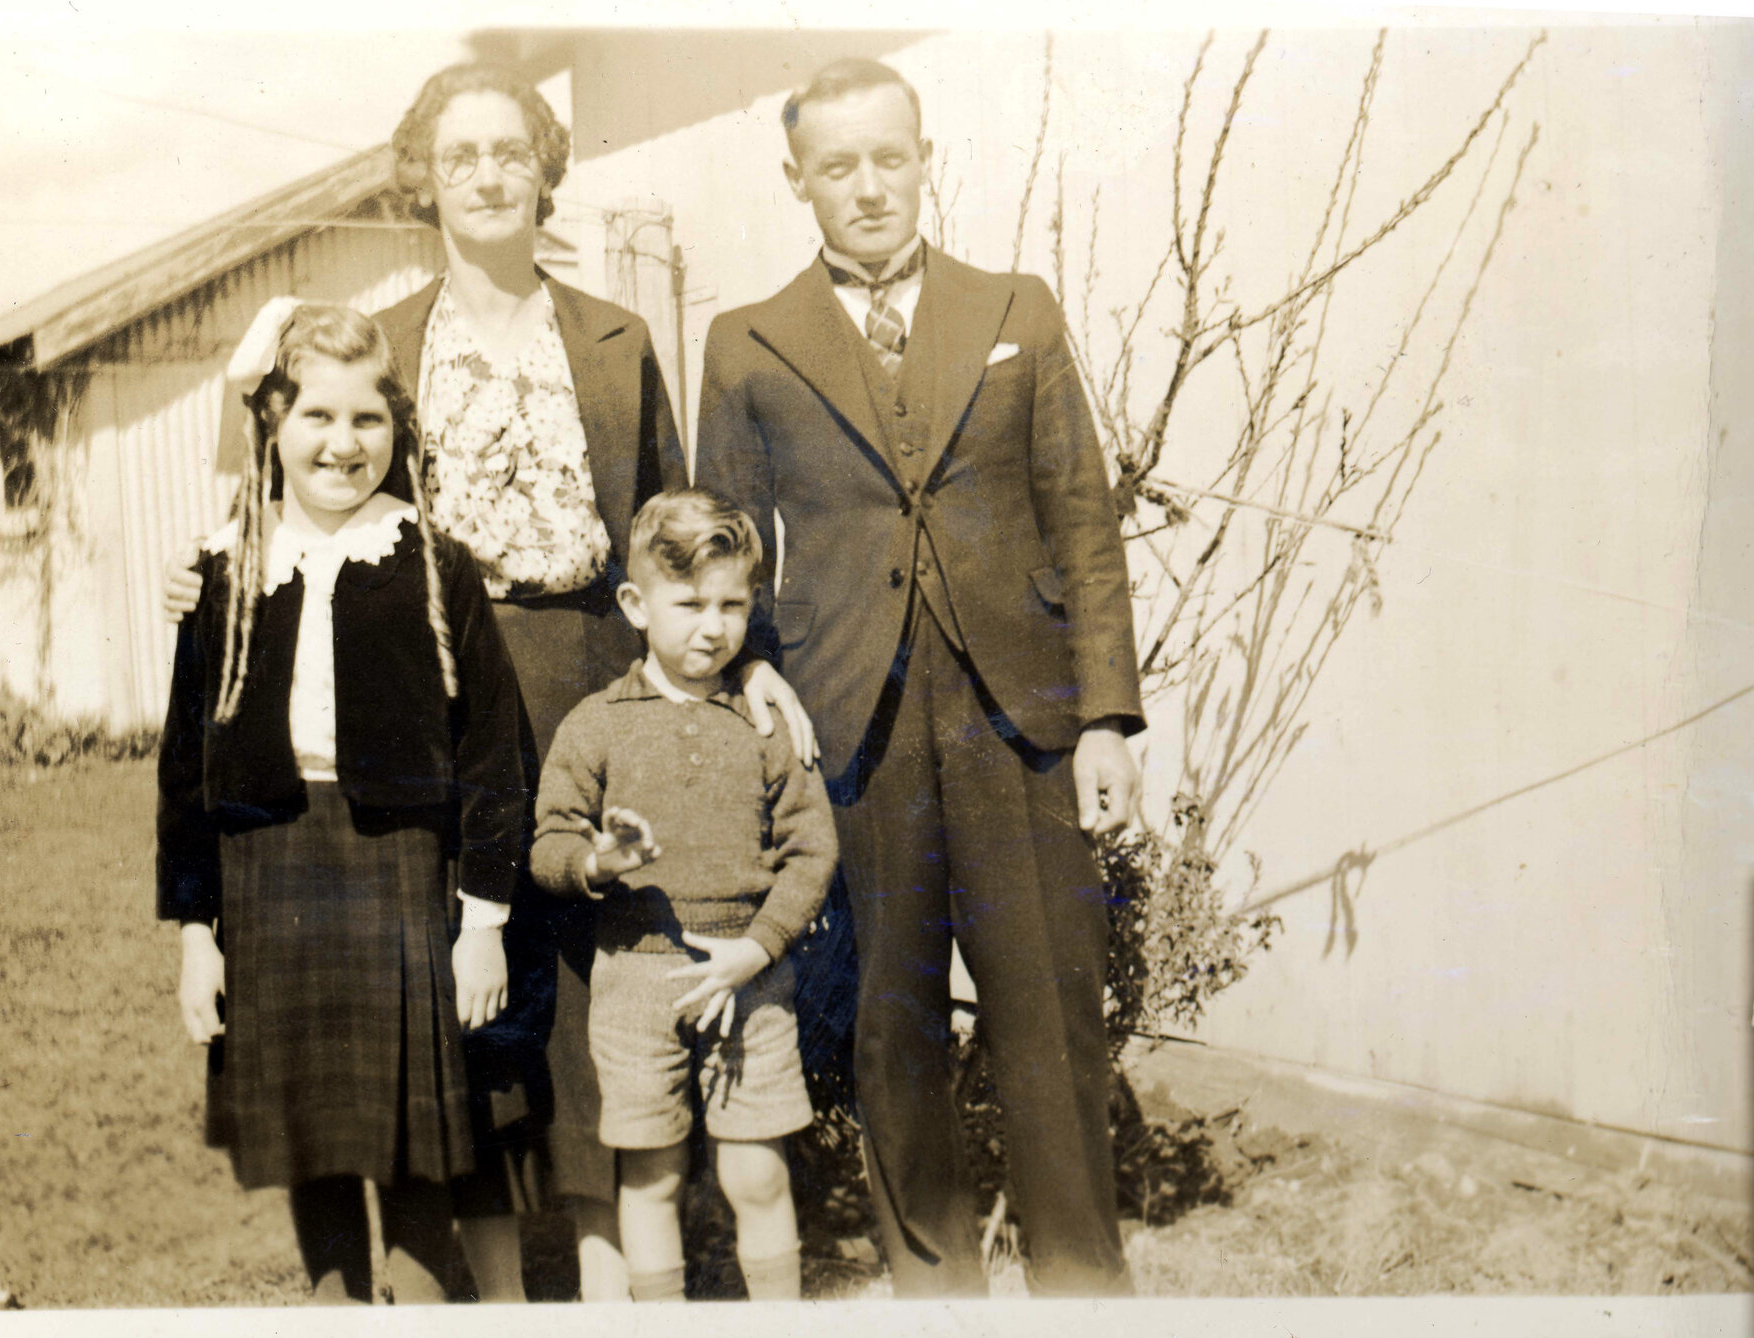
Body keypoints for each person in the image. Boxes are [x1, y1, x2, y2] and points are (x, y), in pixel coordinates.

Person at [161, 61, 817, 1302]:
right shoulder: (388, 345)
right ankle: (508, 1288)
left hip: (593, 674)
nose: (486, 175)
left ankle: (620, 1272)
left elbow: (675, 535)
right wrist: (197, 585)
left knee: (596, 975)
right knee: (476, 986)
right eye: (457, 155)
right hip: (443, 694)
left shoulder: (615, 341)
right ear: (423, 178)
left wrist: (753, 664)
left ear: (545, 168)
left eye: (510, 150)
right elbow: (292, 500)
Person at [692, 58, 1146, 1297]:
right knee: (889, 1028)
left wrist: (1105, 718)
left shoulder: (1017, 311)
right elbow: (719, 550)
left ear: (925, 157)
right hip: (852, 731)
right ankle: (933, 1290)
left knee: (1050, 1022)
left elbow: (1083, 522)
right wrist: (757, 689)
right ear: (798, 181)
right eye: (836, 165)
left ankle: (1082, 1289)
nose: (868, 186)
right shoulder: (747, 343)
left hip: (1021, 726)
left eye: (889, 157)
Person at [157, 299, 528, 1304]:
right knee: (313, 1136)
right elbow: (185, 765)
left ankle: (418, 1305)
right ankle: (334, 1309)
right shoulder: (225, 573)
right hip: (267, 871)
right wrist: (198, 931)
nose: (341, 443)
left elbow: (495, 751)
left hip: (401, 867)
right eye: (315, 417)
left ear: (397, 430)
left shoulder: (430, 564)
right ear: (272, 426)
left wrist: (482, 922)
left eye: (367, 419)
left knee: (412, 1140)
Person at [528, 489, 837, 1302]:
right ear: (635, 603)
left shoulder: (765, 720)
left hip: (750, 979)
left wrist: (757, 948)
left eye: (733, 604)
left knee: (757, 1174)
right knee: (651, 1179)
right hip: (635, 980)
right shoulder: (595, 724)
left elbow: (811, 852)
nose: (713, 625)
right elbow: (549, 845)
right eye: (690, 602)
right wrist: (596, 860)